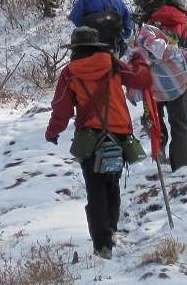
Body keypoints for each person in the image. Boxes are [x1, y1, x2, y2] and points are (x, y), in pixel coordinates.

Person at [45, 26, 152, 259]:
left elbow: (61, 107)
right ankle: (111, 230)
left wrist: (53, 132)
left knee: (95, 191)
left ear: (75, 49)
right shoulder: (112, 62)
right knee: (111, 185)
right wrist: (139, 59)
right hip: (120, 136)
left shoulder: (70, 72)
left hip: (91, 138)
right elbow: (142, 79)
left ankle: (102, 244)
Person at [147, 0, 187, 172]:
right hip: (180, 83)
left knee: (155, 121)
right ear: (182, 11)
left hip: (154, 84)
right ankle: (181, 167)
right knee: (180, 124)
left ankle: (159, 153)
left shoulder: (151, 28)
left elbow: (139, 55)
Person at [67, 0, 134, 54]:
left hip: (91, 44)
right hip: (113, 45)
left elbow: (75, 17)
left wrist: (87, 27)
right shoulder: (118, 1)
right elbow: (128, 29)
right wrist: (121, 35)